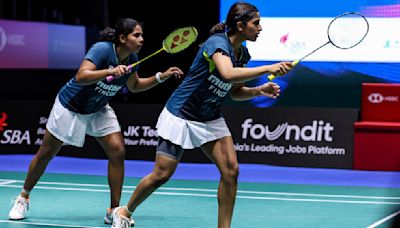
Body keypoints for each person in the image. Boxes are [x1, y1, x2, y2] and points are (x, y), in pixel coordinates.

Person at [111, 2, 293, 228]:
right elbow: (227, 73)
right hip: (182, 114)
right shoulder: (216, 43)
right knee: (162, 174)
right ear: (240, 25)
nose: (260, 28)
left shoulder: (243, 53)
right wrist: (268, 68)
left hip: (210, 117)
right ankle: (125, 211)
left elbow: (235, 92)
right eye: (256, 23)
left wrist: (259, 90)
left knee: (231, 171)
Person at [8, 18, 183, 226]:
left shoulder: (132, 57)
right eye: (137, 35)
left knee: (117, 151)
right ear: (122, 38)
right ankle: (23, 197)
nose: (141, 39)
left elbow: (135, 86)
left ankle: (113, 210)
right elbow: (81, 76)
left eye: (142, 35)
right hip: (71, 105)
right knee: (46, 153)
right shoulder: (102, 50)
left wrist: (161, 77)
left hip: (98, 107)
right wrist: (110, 71)